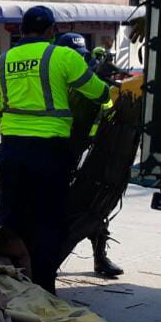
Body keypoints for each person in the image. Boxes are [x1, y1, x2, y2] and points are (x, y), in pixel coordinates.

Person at [0, 7, 110, 293]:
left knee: (8, 217)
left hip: (11, 152)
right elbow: (100, 93)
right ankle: (42, 290)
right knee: (47, 222)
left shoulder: (0, 62)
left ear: (21, 29)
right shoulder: (63, 56)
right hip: (49, 154)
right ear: (52, 30)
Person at [56, 32, 124, 278]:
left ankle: (100, 257)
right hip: (56, 153)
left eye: (81, 57)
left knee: (95, 204)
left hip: (86, 151)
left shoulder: (86, 79)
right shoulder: (57, 79)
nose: (79, 62)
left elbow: (106, 106)